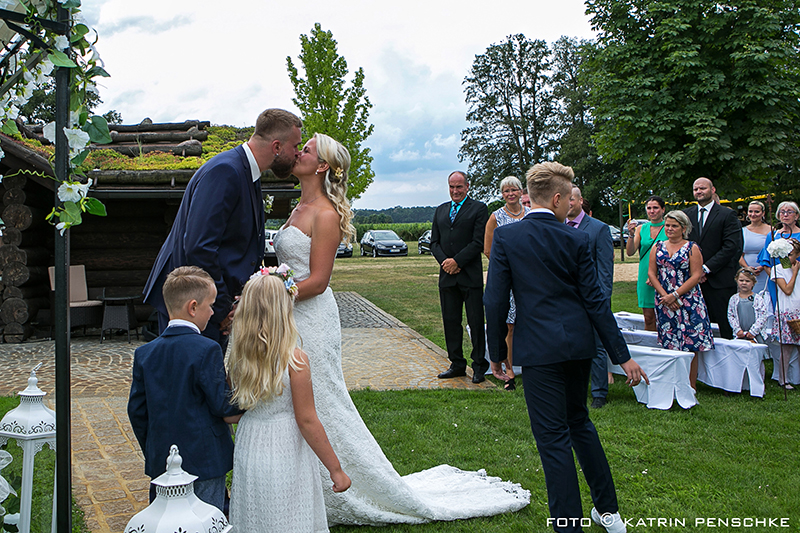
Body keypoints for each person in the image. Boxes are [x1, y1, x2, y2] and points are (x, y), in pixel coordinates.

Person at [274, 134, 529, 526]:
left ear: (322, 165)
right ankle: (304, 482)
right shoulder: (296, 207)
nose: (298, 153)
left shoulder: (324, 213)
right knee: (296, 401)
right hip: (290, 314)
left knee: (322, 399)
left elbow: (319, 281)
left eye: (306, 149)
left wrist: (270, 294)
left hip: (311, 316)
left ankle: (344, 481)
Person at [484, 161, 648, 533]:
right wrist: (622, 355)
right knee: (579, 423)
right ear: (557, 199)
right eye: (568, 198)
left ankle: (569, 526)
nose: (570, 205)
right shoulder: (576, 238)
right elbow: (596, 303)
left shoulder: (509, 238)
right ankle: (608, 511)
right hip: (578, 345)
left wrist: (497, 354)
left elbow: (494, 301)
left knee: (554, 439)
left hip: (539, 350)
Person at [143, 108, 302, 348]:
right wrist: (220, 308)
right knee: (191, 383)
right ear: (277, 147)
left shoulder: (246, 172)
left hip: (206, 305)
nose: (297, 153)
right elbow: (199, 246)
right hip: (191, 306)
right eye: (295, 146)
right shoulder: (226, 171)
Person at [228, 271, 350, 532]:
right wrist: (335, 469)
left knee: (257, 512)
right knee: (289, 511)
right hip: (285, 445)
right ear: (285, 309)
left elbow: (236, 404)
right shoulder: (295, 359)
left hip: (251, 441)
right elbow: (307, 420)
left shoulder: (238, 357)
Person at [128, 266, 243, 510]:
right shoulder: (207, 349)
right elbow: (222, 405)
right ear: (192, 307)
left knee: (165, 518)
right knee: (207, 517)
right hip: (205, 460)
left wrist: (154, 449)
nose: (212, 312)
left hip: (163, 462)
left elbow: (137, 411)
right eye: (210, 306)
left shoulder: (144, 354)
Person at [431, 171, 490, 383]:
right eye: (452, 187)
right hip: (447, 277)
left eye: (459, 187)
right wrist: (446, 263)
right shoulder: (440, 210)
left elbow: (478, 241)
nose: (455, 191)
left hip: (469, 275)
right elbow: (434, 243)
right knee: (450, 322)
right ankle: (456, 364)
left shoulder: (479, 209)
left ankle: (479, 366)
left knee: (475, 322)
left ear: (467, 187)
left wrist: (457, 261)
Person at [648, 211, 715, 390]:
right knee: (669, 343)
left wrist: (675, 295)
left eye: (674, 226)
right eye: (667, 225)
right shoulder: (658, 246)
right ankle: (671, 385)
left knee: (689, 345)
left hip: (688, 301)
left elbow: (696, 275)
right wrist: (665, 296)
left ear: (683, 228)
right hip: (664, 301)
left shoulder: (691, 247)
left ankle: (690, 387)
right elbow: (651, 273)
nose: (670, 229)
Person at [566, 186, 615, 409]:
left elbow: (605, 271)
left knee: (596, 346)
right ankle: (573, 389)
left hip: (593, 299)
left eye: (572, 200)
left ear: (580, 201)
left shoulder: (598, 229)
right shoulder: (558, 227)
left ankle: (599, 392)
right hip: (567, 300)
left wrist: (602, 302)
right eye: (565, 199)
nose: (569, 204)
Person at [483, 176, 532, 391]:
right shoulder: (496, 217)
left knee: (531, 323)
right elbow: (488, 249)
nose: (510, 194)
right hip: (508, 280)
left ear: (521, 192)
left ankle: (533, 368)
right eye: (506, 191)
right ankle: (509, 370)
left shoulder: (531, 215)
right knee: (510, 326)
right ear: (502, 194)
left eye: (514, 190)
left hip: (530, 279)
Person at [683, 177, 743, 339]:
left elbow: (732, 247)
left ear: (713, 190)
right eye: (696, 189)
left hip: (720, 281)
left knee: (724, 328)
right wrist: (694, 271)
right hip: (692, 283)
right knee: (695, 328)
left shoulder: (727, 214)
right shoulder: (686, 215)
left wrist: (705, 269)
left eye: (702, 188)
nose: (699, 192)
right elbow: (682, 245)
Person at [625, 196, 667, 331]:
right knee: (649, 318)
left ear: (663, 209)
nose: (652, 211)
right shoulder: (641, 229)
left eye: (655, 208)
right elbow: (630, 252)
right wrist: (631, 235)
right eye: (649, 208)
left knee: (666, 316)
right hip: (645, 273)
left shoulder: (669, 227)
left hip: (664, 275)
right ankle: (651, 346)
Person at [770, 237, 800, 390]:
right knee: (786, 348)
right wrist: (794, 273)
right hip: (786, 311)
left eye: (791, 254)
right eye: (785, 254)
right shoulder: (778, 269)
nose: (787, 258)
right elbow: (787, 290)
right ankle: (783, 379)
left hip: (799, 309)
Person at [758, 201, 800, 309]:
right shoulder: (773, 235)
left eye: (789, 212)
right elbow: (765, 260)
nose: (785, 215)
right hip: (778, 278)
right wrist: (776, 277)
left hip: (797, 275)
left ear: (797, 216)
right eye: (782, 212)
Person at [727, 267, 769, 344]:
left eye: (747, 281)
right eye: (741, 280)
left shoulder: (758, 299)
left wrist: (753, 331)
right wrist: (737, 330)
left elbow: (763, 316)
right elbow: (731, 315)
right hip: (740, 335)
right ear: (737, 281)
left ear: (753, 283)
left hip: (756, 334)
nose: (744, 283)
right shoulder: (734, 299)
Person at [739, 201, 771, 293]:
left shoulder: (771, 230)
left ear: (763, 213)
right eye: (750, 211)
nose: (753, 214)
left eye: (757, 212)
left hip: (765, 271)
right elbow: (738, 253)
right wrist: (747, 268)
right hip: (747, 272)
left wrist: (762, 267)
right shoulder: (742, 231)